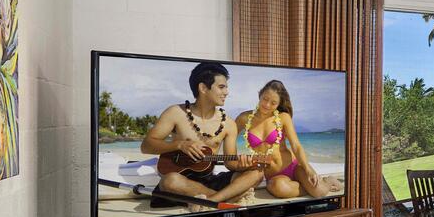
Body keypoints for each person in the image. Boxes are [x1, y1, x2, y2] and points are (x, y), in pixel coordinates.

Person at [141, 61, 266, 206]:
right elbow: (146, 146)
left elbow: (230, 163)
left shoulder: (228, 124)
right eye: (221, 87)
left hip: (209, 179)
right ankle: (227, 199)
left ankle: (212, 200)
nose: (227, 92)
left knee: (257, 172)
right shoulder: (175, 113)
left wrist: (243, 165)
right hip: (180, 180)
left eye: (226, 87)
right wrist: (180, 144)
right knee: (170, 181)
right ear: (203, 88)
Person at [235, 79, 336, 200]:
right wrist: (235, 160)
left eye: (273, 103)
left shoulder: (283, 117)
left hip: (293, 167)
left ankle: (328, 180)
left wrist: (308, 169)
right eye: (265, 99)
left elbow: (296, 145)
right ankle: (310, 187)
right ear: (260, 94)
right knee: (278, 187)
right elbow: (228, 137)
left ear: (278, 104)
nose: (267, 105)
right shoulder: (244, 118)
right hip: (273, 176)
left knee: (319, 193)